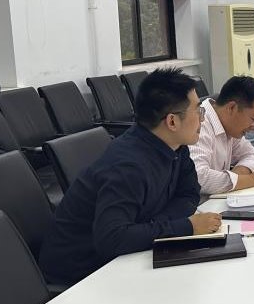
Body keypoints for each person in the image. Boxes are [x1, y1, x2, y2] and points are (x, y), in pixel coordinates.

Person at [39, 68, 220, 286]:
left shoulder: (176, 146)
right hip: (83, 276)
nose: (202, 119)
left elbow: (189, 195)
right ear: (172, 122)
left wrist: (152, 226)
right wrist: (185, 227)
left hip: (128, 256)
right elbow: (112, 238)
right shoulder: (128, 167)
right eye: (198, 111)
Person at [190, 75, 254, 196]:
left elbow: (252, 155)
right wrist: (253, 180)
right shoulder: (200, 124)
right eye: (253, 119)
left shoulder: (230, 126)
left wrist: (237, 176)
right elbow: (199, 177)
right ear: (232, 108)